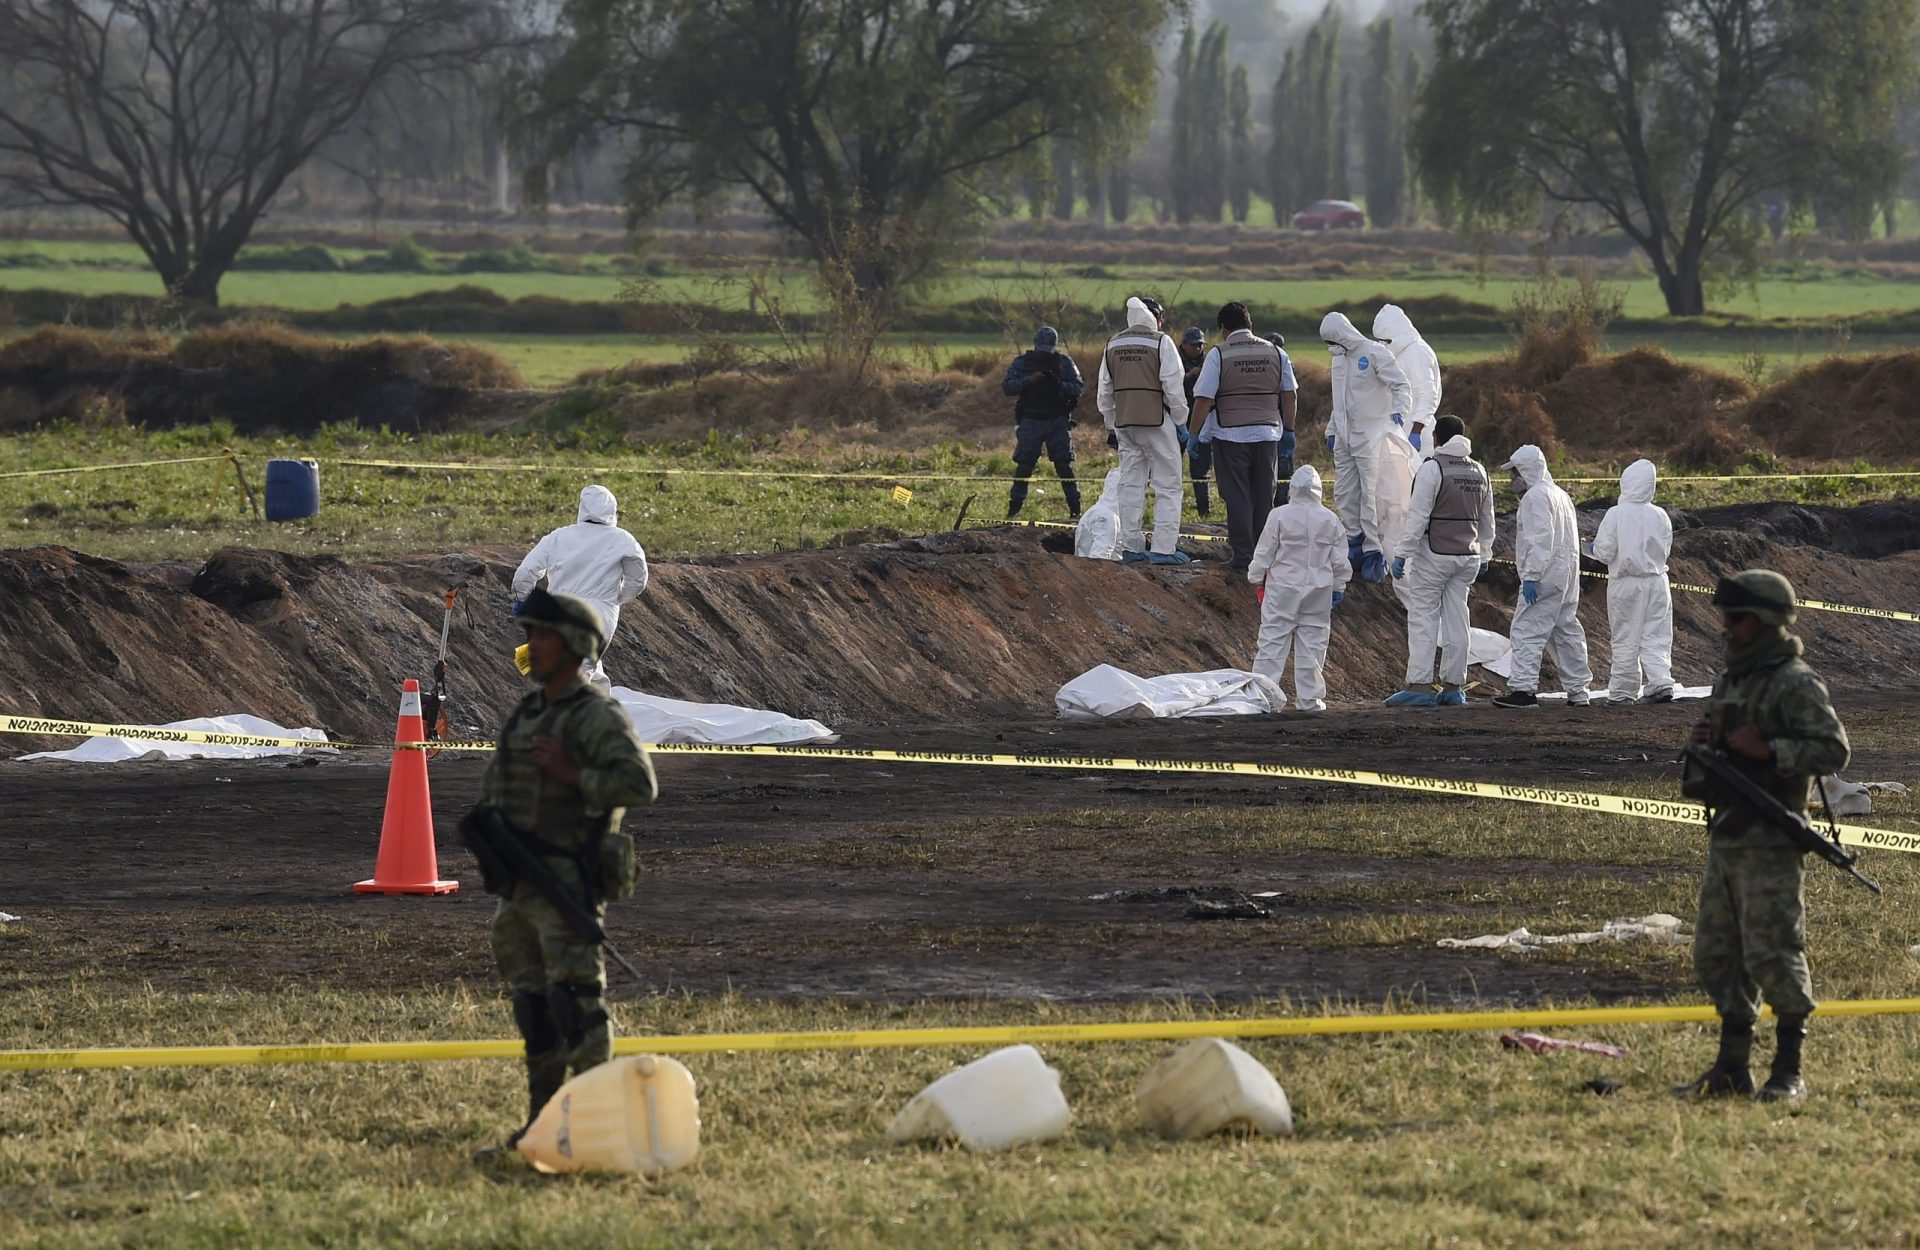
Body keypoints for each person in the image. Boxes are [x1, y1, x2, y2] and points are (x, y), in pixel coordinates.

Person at [482, 587, 658, 1148]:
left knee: (576, 1006)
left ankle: (597, 1129)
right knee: (534, 1011)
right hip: (521, 887)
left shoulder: (595, 716)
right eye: (530, 634)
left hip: (566, 880)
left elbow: (639, 783)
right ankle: (543, 1126)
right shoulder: (529, 712)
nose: (532, 645)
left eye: (544, 636)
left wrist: (572, 777)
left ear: (575, 647)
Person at [1677, 570, 1850, 1103]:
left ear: (1766, 622)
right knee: (1717, 953)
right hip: (1727, 834)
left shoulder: (1795, 682)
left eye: (1735, 618)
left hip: (1771, 840)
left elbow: (1833, 750)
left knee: (1774, 952)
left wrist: (1771, 751)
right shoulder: (1734, 679)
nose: (1725, 627)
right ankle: (1732, 1067)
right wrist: (1707, 742)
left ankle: (1788, 1070)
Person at [1386, 415, 1494, 707]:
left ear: (1436, 439)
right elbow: (1487, 519)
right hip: (1467, 558)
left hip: (1434, 555)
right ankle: (1454, 686)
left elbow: (1418, 516)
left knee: (1423, 617)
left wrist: (1403, 554)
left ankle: (1420, 686)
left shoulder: (1433, 468)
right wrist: (1485, 552)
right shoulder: (1480, 471)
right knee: (1458, 621)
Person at [1188, 301, 1299, 571]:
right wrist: (1290, 430)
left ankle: (1243, 557)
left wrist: (1194, 433)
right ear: (1251, 325)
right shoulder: (1275, 352)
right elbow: (1290, 394)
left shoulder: (1219, 354)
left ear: (1223, 329)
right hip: (1267, 433)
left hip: (1229, 435)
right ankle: (1264, 556)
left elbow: (1203, 398)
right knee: (1264, 494)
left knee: (1237, 494)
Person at [512, 485, 650, 693]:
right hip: (599, 614)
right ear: (612, 510)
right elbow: (638, 580)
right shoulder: (622, 539)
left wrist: (522, 599)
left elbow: (526, 572)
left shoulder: (558, 537)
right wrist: (618, 598)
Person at [1492, 444, 1594, 708]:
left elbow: (1540, 539)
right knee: (1565, 630)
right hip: (1567, 572)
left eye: (1514, 473)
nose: (1512, 480)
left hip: (1546, 572)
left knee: (1527, 628)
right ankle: (1579, 691)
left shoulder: (1534, 497)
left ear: (1525, 470)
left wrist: (1531, 576)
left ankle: (1523, 690)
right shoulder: (1559, 494)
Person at [1319, 312, 1416, 582]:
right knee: (1346, 491)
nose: (1330, 346)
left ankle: (1375, 549)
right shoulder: (1338, 361)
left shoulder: (1374, 353)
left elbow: (1400, 385)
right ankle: (1353, 540)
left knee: (1371, 494)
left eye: (1332, 340)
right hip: (1345, 437)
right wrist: (1332, 429)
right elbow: (1339, 400)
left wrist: (1399, 410)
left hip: (1370, 436)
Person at [1247, 463, 1350, 712]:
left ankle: (1262, 698)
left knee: (1272, 643)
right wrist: (1339, 586)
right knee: (1313, 647)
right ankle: (1310, 701)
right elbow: (1339, 561)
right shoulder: (1330, 519)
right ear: (1318, 491)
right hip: (1318, 592)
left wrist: (1256, 577)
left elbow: (1264, 552)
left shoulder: (1279, 515)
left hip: (1282, 589)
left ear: (1292, 488)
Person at [1096, 296, 1191, 565]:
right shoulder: (1161, 342)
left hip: (1125, 425)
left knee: (1130, 486)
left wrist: (1111, 423)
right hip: (1158, 423)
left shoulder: (1113, 343)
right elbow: (1173, 386)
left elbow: (1104, 392)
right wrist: (1181, 421)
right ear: (1155, 317)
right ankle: (1163, 549)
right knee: (1169, 486)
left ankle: (1132, 548)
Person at [1591, 459, 1676, 704]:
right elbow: (1665, 549)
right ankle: (1660, 681)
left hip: (1626, 583)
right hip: (1658, 581)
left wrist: (1593, 548)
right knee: (1656, 634)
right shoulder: (1660, 515)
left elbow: (1605, 553)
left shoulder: (1616, 514)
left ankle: (1622, 692)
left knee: (1626, 636)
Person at [1001, 326, 1085, 521]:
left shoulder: (1063, 362)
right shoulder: (1022, 363)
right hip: (1031, 419)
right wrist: (1029, 381)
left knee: (1064, 465)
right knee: (1024, 466)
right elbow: (1007, 386)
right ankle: (1014, 510)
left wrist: (1058, 384)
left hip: (1057, 420)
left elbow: (1077, 387)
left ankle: (1075, 509)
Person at [1372, 304, 1442, 453]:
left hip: (1418, 432)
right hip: (1400, 430)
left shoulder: (1418, 353)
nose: (1382, 345)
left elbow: (1427, 395)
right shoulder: (1401, 352)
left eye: (1385, 341)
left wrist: (1417, 430)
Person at [1176, 326, 1215, 518]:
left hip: (1200, 419)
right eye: (1194, 345)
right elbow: (1167, 386)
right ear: (1184, 344)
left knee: (1201, 470)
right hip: (1176, 418)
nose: (1199, 348)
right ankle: (1172, 509)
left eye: (1201, 345)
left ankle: (1204, 512)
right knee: (1171, 467)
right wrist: (1187, 378)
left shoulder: (1209, 360)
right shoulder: (1173, 359)